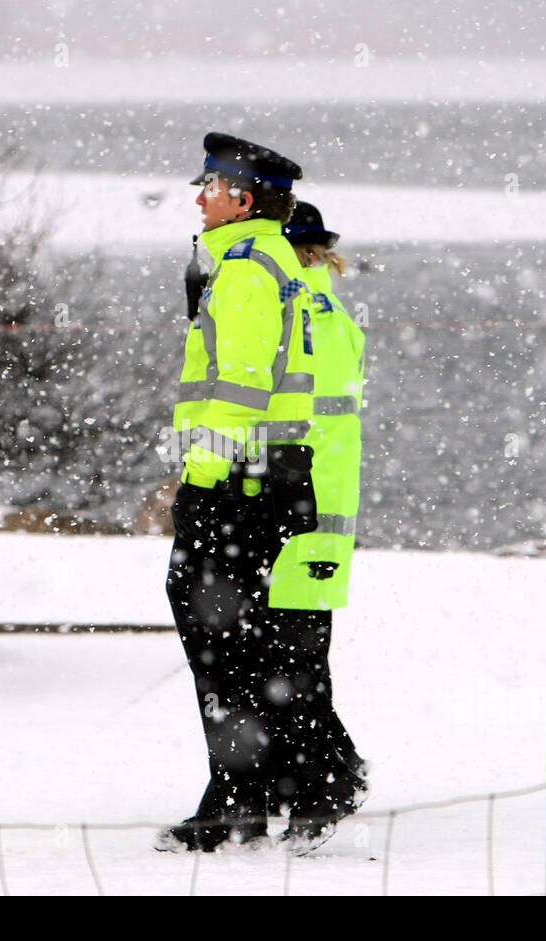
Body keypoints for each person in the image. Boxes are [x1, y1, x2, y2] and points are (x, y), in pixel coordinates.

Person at [157, 133, 318, 853]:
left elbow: (240, 392)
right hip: (261, 479)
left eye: (210, 188)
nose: (199, 198)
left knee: (222, 646)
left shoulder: (248, 270)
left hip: (239, 482)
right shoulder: (261, 263)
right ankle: (257, 790)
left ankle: (241, 798)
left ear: (242, 199)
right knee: (244, 647)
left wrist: (199, 479)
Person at [258, 201, 368, 852]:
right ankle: (318, 776)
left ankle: (329, 779)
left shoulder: (302, 310)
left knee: (291, 658)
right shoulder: (325, 305)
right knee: (298, 653)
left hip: (302, 505)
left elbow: (286, 414)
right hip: (320, 509)